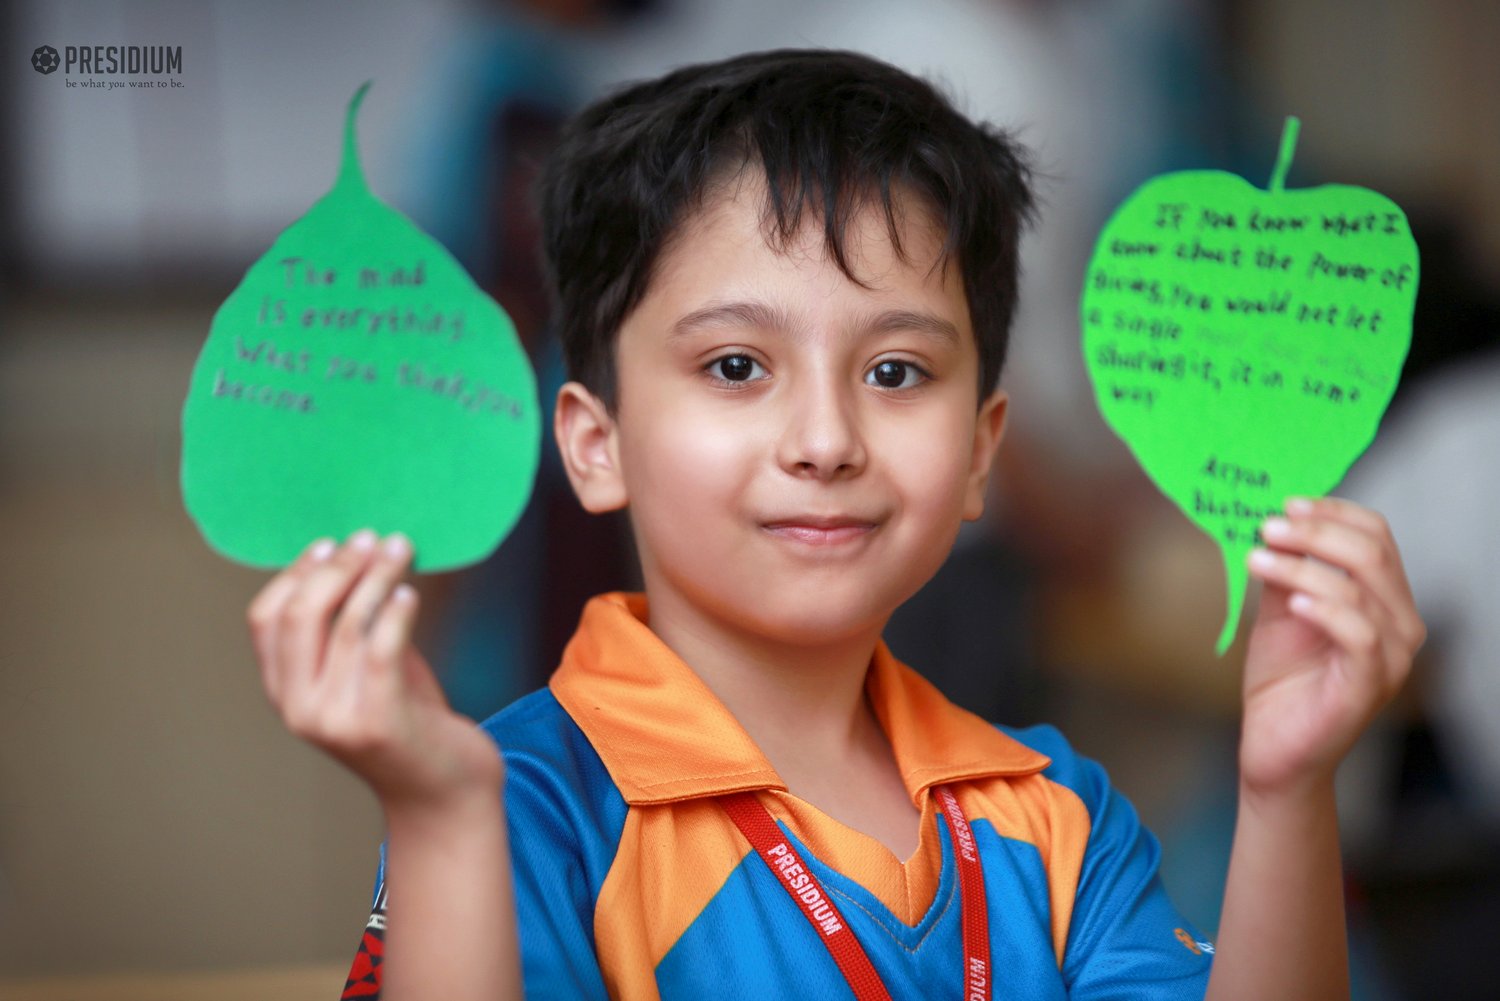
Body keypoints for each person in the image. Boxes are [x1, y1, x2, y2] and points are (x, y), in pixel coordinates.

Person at [245, 50, 1425, 1000]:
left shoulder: (1056, 812)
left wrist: (1286, 791)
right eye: (738, 363)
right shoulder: (519, 802)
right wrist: (445, 827)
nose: (826, 438)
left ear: (979, 455)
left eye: (899, 371)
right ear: (594, 442)